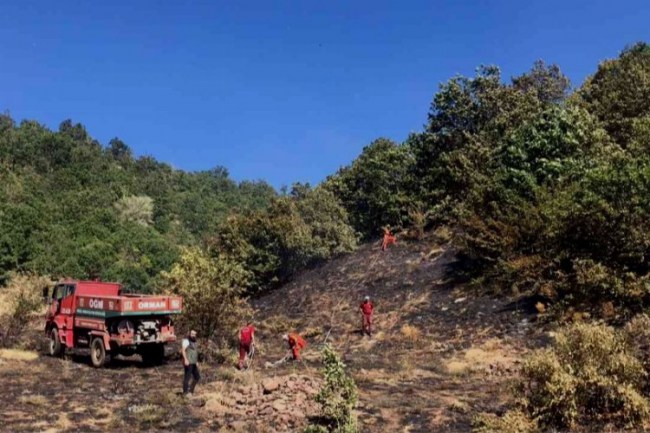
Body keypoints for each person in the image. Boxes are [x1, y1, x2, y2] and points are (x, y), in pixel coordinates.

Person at [181, 330, 200, 396]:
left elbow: (195, 352)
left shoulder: (195, 342)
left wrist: (196, 361)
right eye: (192, 334)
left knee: (197, 377)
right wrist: (185, 359)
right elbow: (183, 350)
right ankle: (185, 393)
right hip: (188, 362)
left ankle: (191, 390)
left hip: (193, 362)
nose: (193, 335)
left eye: (194, 334)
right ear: (189, 334)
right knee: (187, 377)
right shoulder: (186, 341)